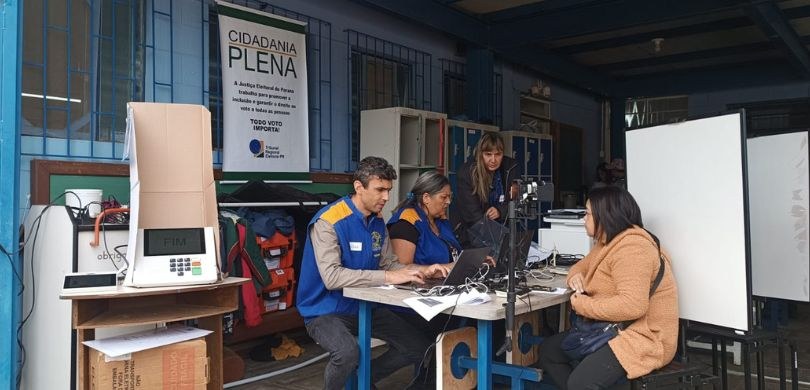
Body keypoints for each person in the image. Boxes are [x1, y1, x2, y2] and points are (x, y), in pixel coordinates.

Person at [296, 156, 450, 390]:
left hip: (365, 306)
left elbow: (389, 264)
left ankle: (362, 381)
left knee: (420, 347)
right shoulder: (328, 222)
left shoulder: (377, 220)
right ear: (359, 187)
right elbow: (332, 277)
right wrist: (388, 277)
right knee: (347, 353)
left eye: (388, 190)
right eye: (380, 190)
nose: (386, 197)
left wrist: (423, 270)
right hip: (323, 310)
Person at [539, 186, 679, 389]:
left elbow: (632, 306)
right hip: (611, 329)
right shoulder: (608, 242)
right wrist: (575, 276)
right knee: (548, 352)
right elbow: (579, 266)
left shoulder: (632, 249)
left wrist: (582, 305)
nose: (583, 219)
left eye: (587, 214)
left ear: (605, 216)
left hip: (641, 337)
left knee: (580, 383)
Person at [452, 132, 519, 246]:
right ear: (480, 154)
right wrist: (499, 241)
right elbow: (473, 216)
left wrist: (500, 211)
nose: (493, 160)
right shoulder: (467, 173)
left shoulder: (511, 167)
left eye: (498, 154)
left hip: (504, 230)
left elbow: (517, 201)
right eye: (488, 154)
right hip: (473, 234)